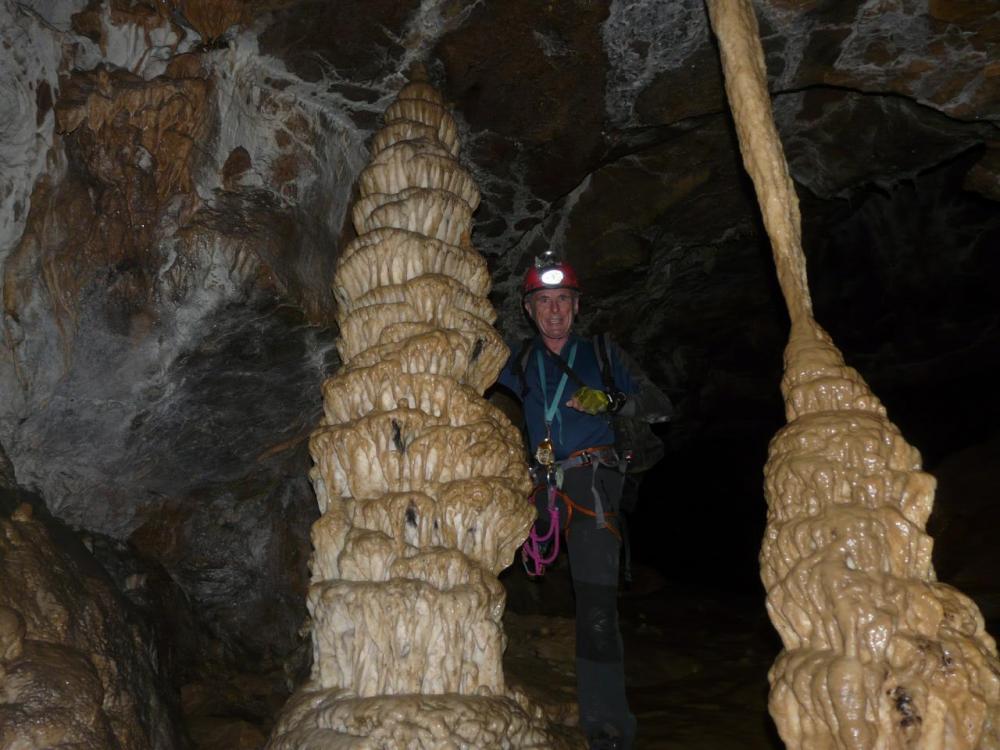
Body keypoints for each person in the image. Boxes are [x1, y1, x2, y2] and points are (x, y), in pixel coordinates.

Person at [495, 255, 669, 750]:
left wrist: (608, 401)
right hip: (540, 486)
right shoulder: (521, 361)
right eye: (544, 302)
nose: (554, 311)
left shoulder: (604, 354)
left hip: (592, 483)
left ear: (576, 306)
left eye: (563, 301)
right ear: (529, 310)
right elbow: (468, 360)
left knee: (594, 606)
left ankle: (608, 726)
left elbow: (660, 405)